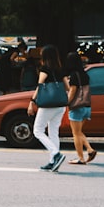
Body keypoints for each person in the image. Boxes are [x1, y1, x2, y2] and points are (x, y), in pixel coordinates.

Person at [27, 44, 68, 172]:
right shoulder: (60, 69)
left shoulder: (44, 69)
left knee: (37, 130)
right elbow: (67, 87)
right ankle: (52, 162)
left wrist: (32, 101)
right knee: (53, 132)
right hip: (60, 105)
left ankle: (55, 154)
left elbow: (40, 87)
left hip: (48, 105)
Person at [64, 51, 97, 164]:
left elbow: (73, 91)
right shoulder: (84, 74)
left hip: (77, 107)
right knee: (79, 132)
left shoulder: (74, 75)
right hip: (87, 106)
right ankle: (90, 149)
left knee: (76, 133)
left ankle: (80, 158)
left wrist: (67, 102)